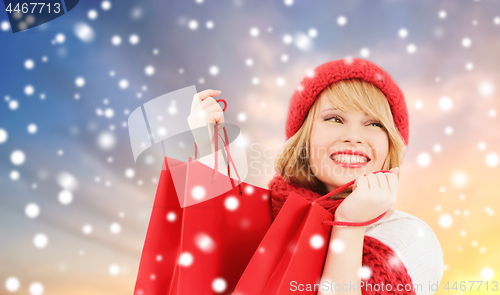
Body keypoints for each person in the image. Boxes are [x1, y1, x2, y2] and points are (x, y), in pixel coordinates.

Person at [189, 58, 444, 295]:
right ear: (304, 138)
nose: (354, 137)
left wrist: (348, 224)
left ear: (391, 144)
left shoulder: (410, 237)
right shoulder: (266, 217)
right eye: (335, 118)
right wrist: (205, 146)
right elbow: (204, 261)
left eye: (374, 123)